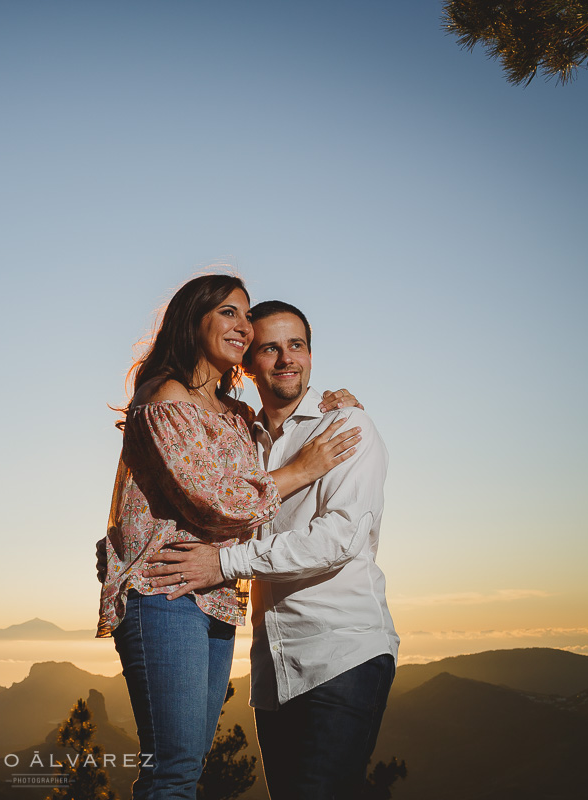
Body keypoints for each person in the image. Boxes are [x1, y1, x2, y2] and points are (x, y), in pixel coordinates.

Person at [97, 275, 363, 800]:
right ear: (192, 320)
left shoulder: (237, 415)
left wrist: (333, 405)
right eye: (228, 313)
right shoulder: (163, 399)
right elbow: (216, 499)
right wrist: (301, 470)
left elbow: (281, 428)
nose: (243, 325)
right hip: (163, 592)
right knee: (172, 771)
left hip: (216, 599)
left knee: (186, 769)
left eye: (246, 316)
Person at [143, 300, 398, 800]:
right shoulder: (240, 438)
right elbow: (204, 502)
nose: (287, 359)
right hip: (274, 671)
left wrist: (223, 564)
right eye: (270, 348)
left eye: (297, 345)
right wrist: (126, 547)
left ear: (310, 355)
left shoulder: (345, 427)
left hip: (342, 653)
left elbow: (338, 539)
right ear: (247, 361)